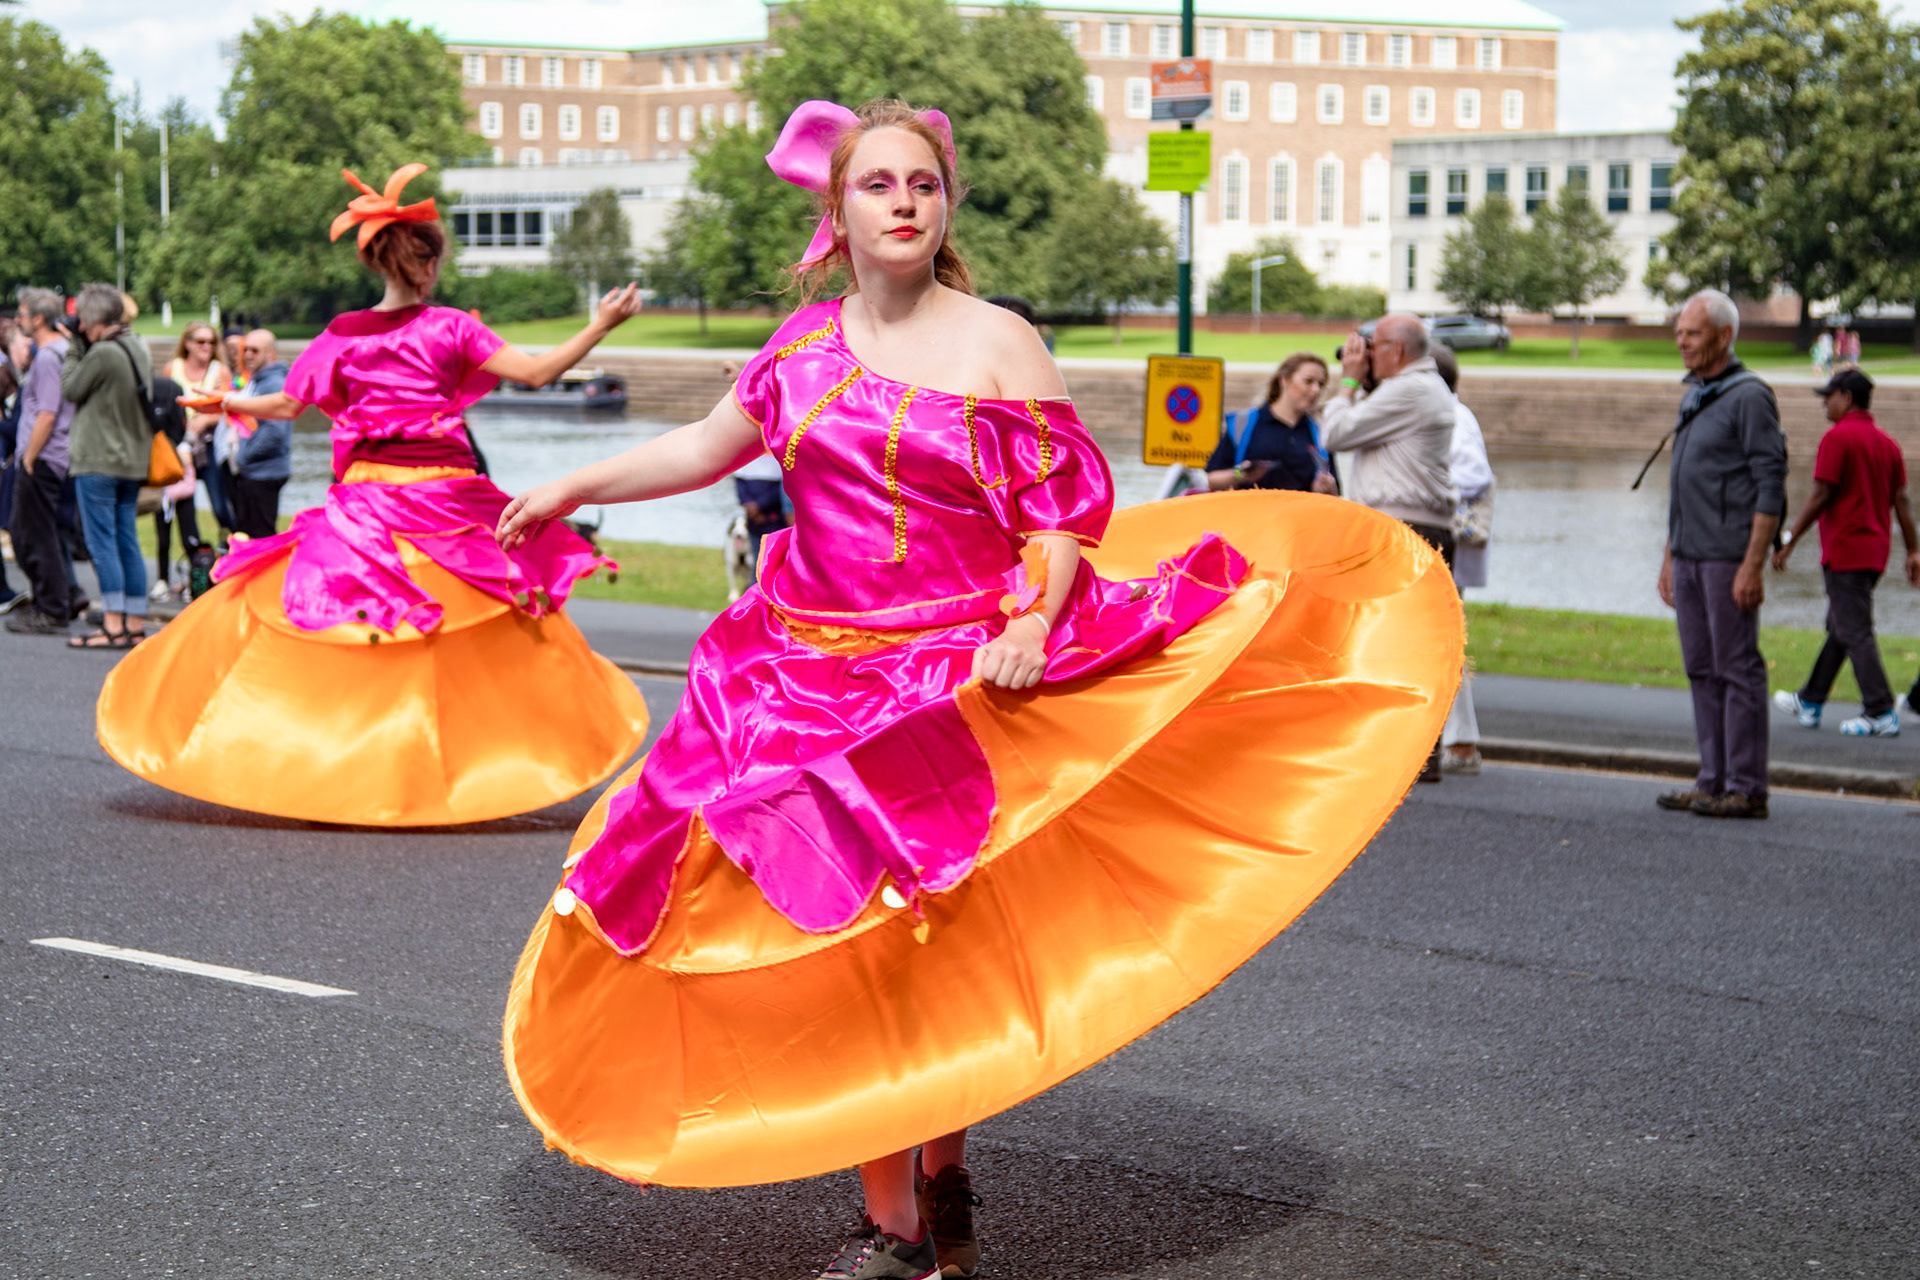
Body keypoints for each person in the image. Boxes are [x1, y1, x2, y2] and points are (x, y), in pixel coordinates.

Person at [496, 99, 1462, 1280]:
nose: (903, 201)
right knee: (840, 939)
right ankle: (907, 1214)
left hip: (948, 674)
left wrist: (1032, 620)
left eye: (922, 183)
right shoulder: (797, 350)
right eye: (877, 184)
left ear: (943, 204)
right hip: (797, 679)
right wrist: (566, 484)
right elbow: (702, 446)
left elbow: (1057, 518)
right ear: (836, 211)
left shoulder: (1000, 340)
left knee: (919, 948)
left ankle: (923, 1198)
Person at [92, 163, 649, 827]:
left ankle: (335, 758)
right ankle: (450, 764)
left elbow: (288, 403)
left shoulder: (343, 336)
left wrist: (229, 400)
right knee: (477, 624)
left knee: (348, 618)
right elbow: (536, 373)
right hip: (441, 500)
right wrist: (601, 324)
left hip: (370, 502)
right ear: (425, 263)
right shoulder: (449, 328)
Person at [1655, 289, 1786, 819]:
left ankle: (1747, 787)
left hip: (1728, 559)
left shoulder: (1749, 395)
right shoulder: (1697, 393)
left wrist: (1752, 563)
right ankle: (1712, 779)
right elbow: (1685, 485)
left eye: (1692, 333)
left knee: (1737, 669)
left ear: (1724, 336)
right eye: (1679, 332)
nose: (1681, 341)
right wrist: (1669, 555)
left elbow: (1770, 484)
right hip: (1688, 555)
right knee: (1701, 669)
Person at [1320, 312, 1458, 782]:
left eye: (1373, 346)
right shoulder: (1418, 389)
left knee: (1402, 642)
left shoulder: (1412, 391)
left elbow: (1335, 434)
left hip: (1407, 528)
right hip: (1412, 526)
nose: (1366, 355)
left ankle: (1411, 755)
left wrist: (1347, 383)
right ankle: (1410, 752)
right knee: (1403, 642)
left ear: (1396, 352)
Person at [1769, 369, 1918, 737]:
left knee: (1854, 630)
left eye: (1829, 396)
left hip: (1846, 549)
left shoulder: (1837, 439)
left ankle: (1880, 710)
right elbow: (1902, 501)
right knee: (1841, 626)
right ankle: (1811, 698)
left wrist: (1789, 540)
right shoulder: (1887, 444)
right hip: (1875, 551)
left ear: (1847, 397)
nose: (1824, 403)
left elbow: (1821, 495)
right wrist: (1913, 550)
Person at [59, 284, 154, 648]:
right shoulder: (138, 346)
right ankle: (134, 621)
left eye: (82, 319)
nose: (79, 326)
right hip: (131, 459)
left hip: (99, 459)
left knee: (102, 544)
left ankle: (112, 625)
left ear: (95, 319)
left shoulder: (102, 354)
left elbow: (70, 388)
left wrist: (72, 346)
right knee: (127, 540)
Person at [1431, 344, 1492, 774]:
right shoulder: (1452, 415)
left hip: (1447, 540)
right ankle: (1459, 740)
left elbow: (1475, 475)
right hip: (1447, 542)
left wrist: (1431, 488)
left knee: (1445, 641)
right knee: (1445, 640)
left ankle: (1463, 741)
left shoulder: (1453, 418)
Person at [6, 291, 81, 635]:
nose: (18, 319)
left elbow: (47, 413)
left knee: (34, 536)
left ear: (38, 319)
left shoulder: (51, 357)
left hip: (44, 457)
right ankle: (60, 596)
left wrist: (30, 457)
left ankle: (52, 607)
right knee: (30, 533)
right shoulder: (59, 352)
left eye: (22, 314)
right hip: (50, 456)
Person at [1204, 351, 1338, 494]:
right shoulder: (1244, 423)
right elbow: (1211, 479)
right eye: (1308, 381)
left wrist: (1325, 488)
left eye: (1321, 384)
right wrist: (1240, 475)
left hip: (1300, 514)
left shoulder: (1320, 434)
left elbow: (1335, 493)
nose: (1316, 390)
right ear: (1284, 380)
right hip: (1251, 513)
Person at [158, 322, 230, 581]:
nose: (207, 347)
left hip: (207, 446)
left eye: (211, 342)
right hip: (180, 447)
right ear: (187, 342)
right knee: (180, 511)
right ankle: (193, 569)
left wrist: (205, 420)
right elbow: (163, 403)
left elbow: (230, 407)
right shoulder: (173, 368)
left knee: (221, 506)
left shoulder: (218, 370)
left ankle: (226, 554)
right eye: (200, 342)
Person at [230, 330, 292, 538]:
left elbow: (275, 431)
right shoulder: (258, 380)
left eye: (254, 351)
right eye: (245, 349)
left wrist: (244, 456)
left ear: (270, 354)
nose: (247, 355)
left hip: (264, 472)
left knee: (261, 537)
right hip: (254, 471)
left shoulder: (273, 383)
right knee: (248, 534)